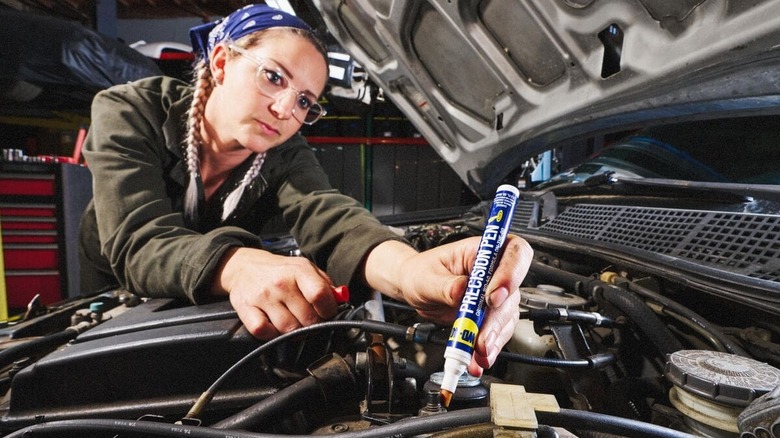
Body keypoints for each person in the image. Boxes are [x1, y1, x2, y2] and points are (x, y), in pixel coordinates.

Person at [77, 4, 533, 376]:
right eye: (273, 77)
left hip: (198, 297)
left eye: (304, 102)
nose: (283, 110)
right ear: (220, 62)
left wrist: (410, 272)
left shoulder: (283, 150)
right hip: (117, 293)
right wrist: (237, 266)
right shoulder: (129, 109)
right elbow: (137, 239)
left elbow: (329, 217)